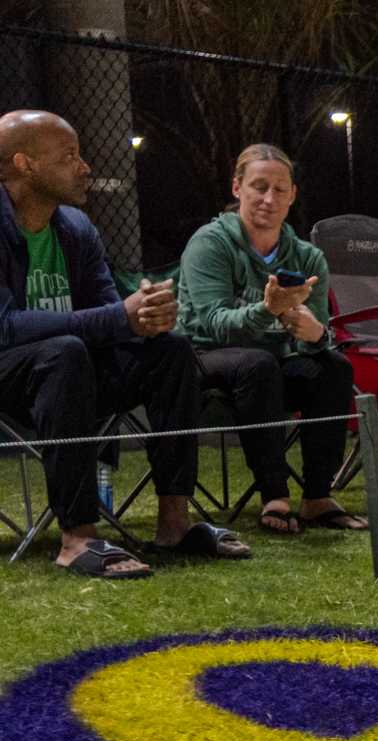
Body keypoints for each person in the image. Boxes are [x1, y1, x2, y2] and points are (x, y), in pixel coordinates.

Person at [0, 110, 243, 577]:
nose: (85, 167)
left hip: (71, 377)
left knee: (169, 350)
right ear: (24, 164)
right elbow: (5, 327)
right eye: (69, 156)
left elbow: (111, 319)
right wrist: (117, 317)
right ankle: (77, 538)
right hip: (12, 375)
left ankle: (175, 523)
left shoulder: (75, 228)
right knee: (65, 351)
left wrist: (145, 319)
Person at [176, 142, 363, 535]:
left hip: (273, 368)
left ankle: (317, 496)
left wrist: (315, 335)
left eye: (280, 189)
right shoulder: (210, 243)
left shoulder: (308, 257)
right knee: (256, 364)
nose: (269, 198)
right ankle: (274, 494)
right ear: (237, 188)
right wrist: (268, 310)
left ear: (293, 194)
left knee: (332, 366)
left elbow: (315, 335)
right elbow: (212, 324)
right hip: (205, 361)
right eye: (259, 186)